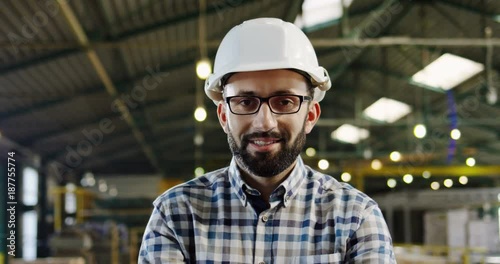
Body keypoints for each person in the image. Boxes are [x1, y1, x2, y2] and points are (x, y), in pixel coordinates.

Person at [139, 17, 395, 263]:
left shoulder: (355, 217)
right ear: (223, 115)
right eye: (245, 102)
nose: (265, 123)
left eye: (284, 102)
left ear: (311, 115)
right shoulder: (176, 215)